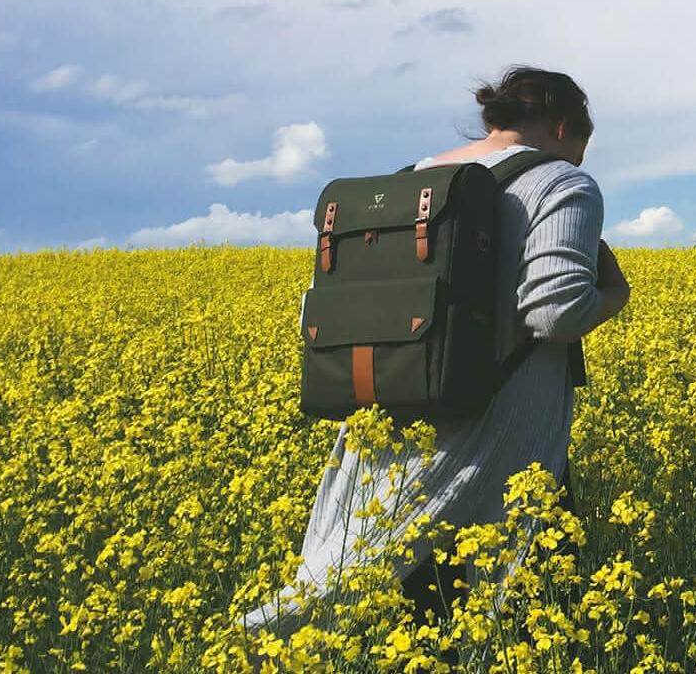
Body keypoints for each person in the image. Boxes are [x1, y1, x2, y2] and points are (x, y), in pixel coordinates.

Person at [240, 66, 631, 638]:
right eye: (577, 149)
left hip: (387, 428)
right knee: (529, 624)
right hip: (501, 436)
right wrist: (614, 295)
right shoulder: (559, 183)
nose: (575, 163)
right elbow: (554, 312)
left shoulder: (410, 181)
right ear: (565, 126)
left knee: (393, 619)